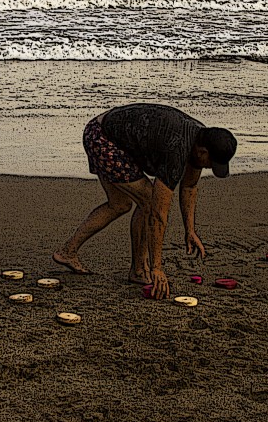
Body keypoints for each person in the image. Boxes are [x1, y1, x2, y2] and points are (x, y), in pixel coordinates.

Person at [53, 103, 237, 300]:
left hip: (109, 134)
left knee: (120, 204)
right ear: (203, 152)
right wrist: (156, 268)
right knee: (148, 200)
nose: (210, 168)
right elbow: (158, 214)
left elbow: (189, 187)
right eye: (212, 163)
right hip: (101, 138)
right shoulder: (177, 148)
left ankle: (67, 251)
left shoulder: (200, 139)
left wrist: (190, 230)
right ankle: (140, 269)